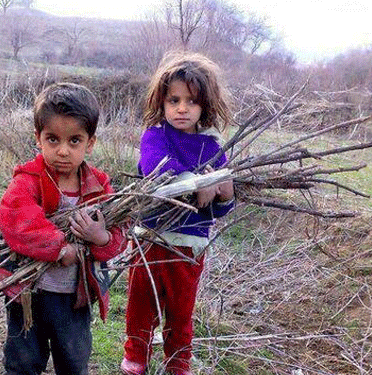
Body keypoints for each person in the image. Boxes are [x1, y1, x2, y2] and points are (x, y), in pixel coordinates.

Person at [0, 82, 126, 375]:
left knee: (73, 361)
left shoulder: (99, 186)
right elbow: (18, 220)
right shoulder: (28, 180)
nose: (62, 151)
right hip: (28, 294)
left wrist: (101, 238)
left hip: (74, 297)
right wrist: (60, 250)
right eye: (52, 139)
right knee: (23, 361)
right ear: (38, 138)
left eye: (74, 141)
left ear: (90, 142)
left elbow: (119, 236)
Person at [120, 52, 235, 375]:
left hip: (189, 246)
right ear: (162, 101)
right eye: (174, 100)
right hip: (150, 241)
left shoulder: (212, 147)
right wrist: (195, 181)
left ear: (205, 106)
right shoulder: (155, 135)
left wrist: (225, 191)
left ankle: (178, 363)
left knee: (181, 311)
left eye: (191, 101)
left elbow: (221, 206)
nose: (181, 108)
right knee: (141, 305)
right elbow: (156, 168)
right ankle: (136, 357)